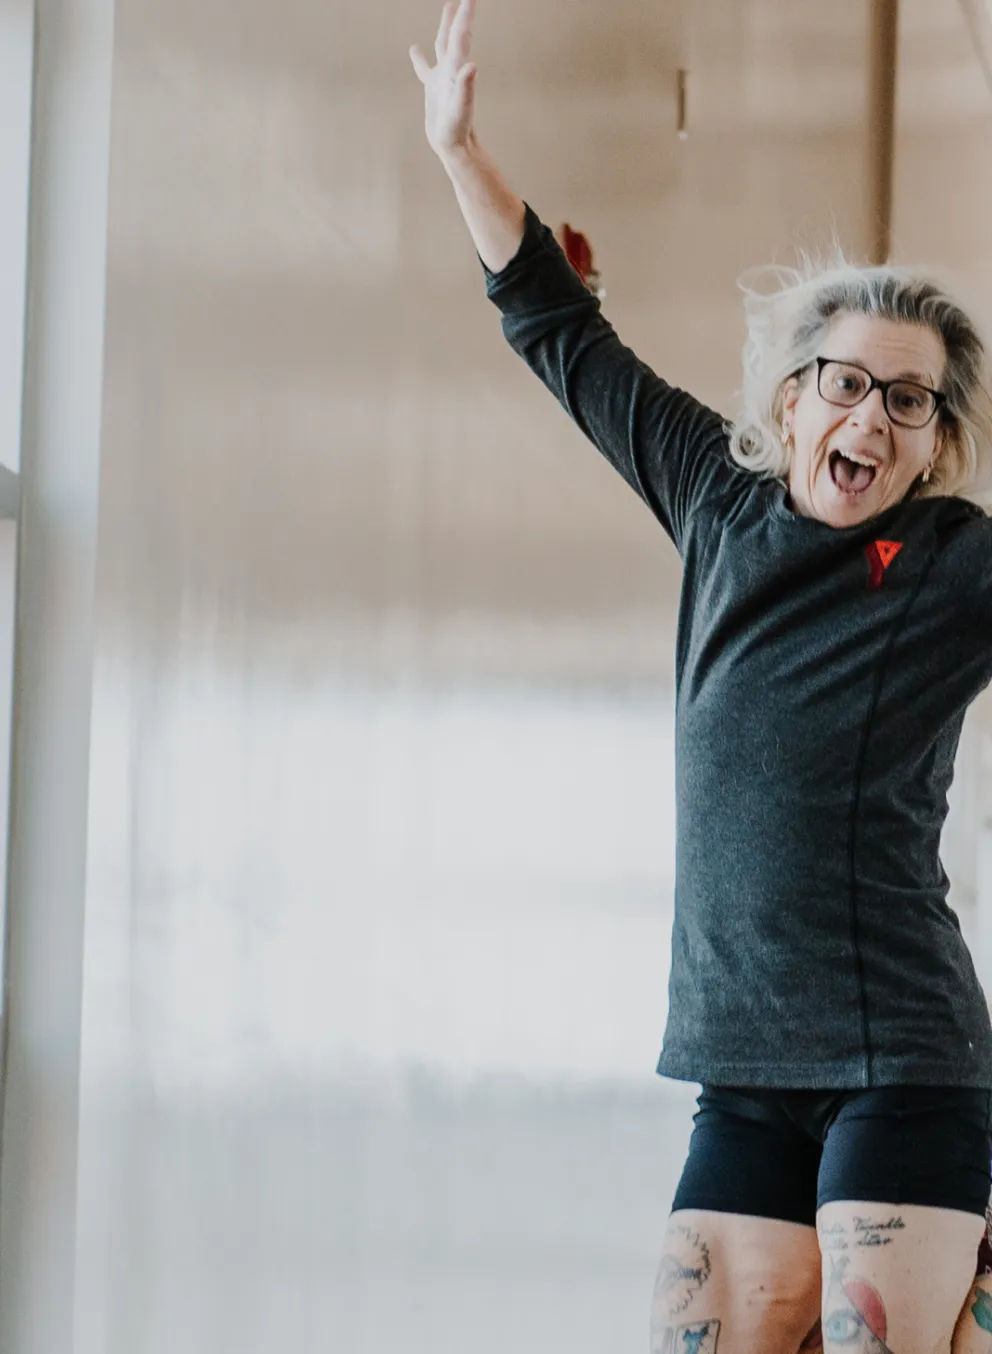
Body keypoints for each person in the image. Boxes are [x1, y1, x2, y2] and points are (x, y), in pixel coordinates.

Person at [410, 4, 992, 1351]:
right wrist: (457, 150)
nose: (872, 418)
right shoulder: (715, 503)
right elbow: (562, 333)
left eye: (910, 402)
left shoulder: (953, 564)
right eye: (848, 383)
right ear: (789, 402)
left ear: (935, 442)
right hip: (738, 1068)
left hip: (900, 1058)